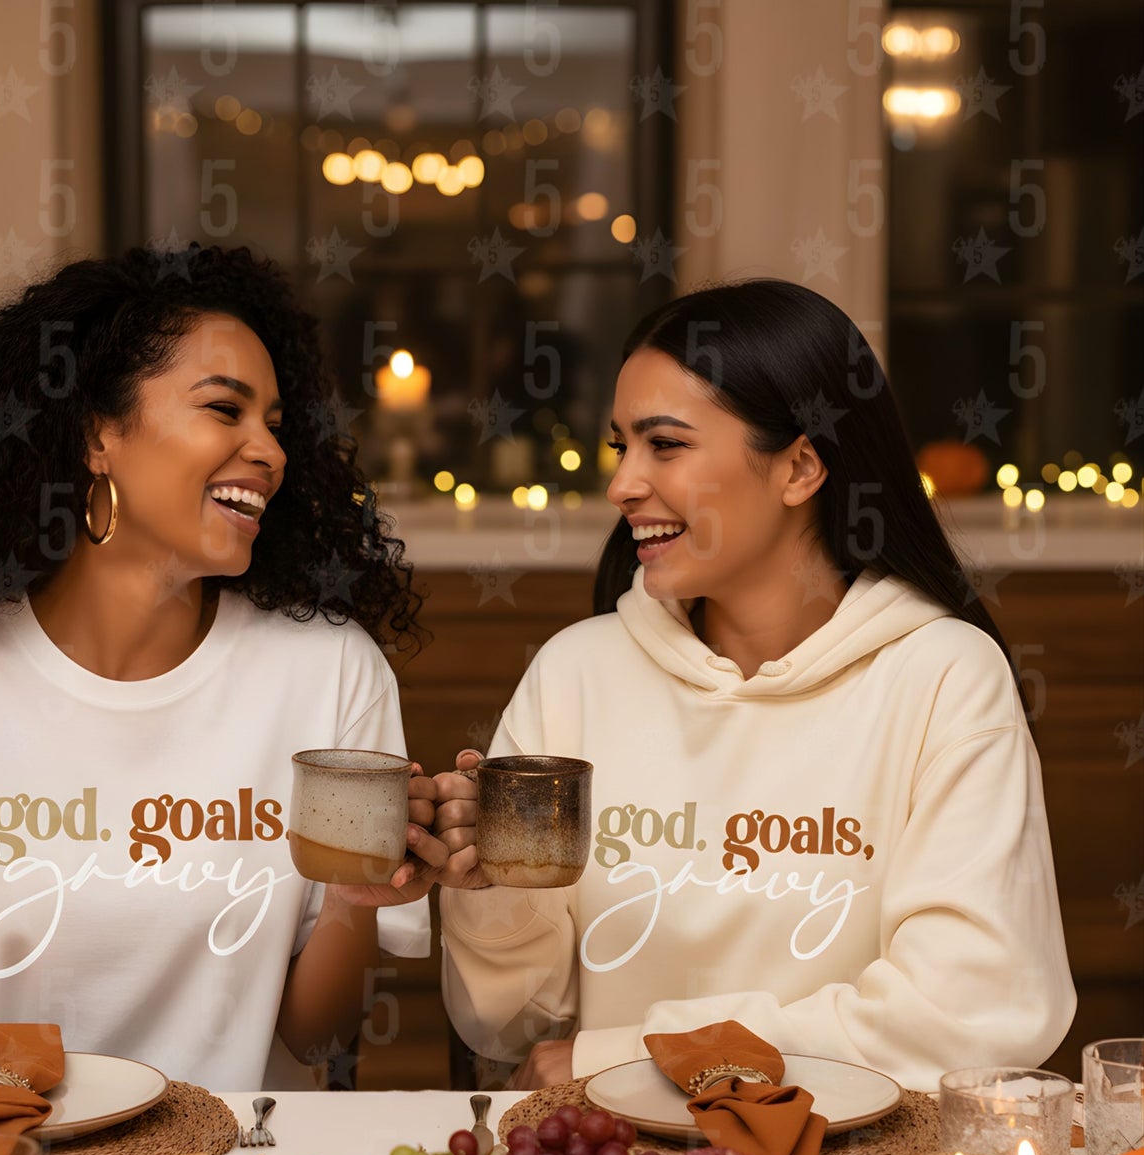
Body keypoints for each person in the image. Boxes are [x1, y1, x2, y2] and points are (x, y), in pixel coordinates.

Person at [0, 244, 449, 1091]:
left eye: (274, 423)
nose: (267, 451)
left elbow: (315, 1040)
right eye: (224, 409)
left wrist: (353, 895)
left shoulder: (329, 673)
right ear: (98, 431)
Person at [435, 279, 1075, 1095]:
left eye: (664, 445)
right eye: (619, 446)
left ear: (800, 466)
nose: (622, 484)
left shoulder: (943, 676)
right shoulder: (575, 673)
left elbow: (968, 1012)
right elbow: (514, 1026)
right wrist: (492, 895)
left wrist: (641, 1054)